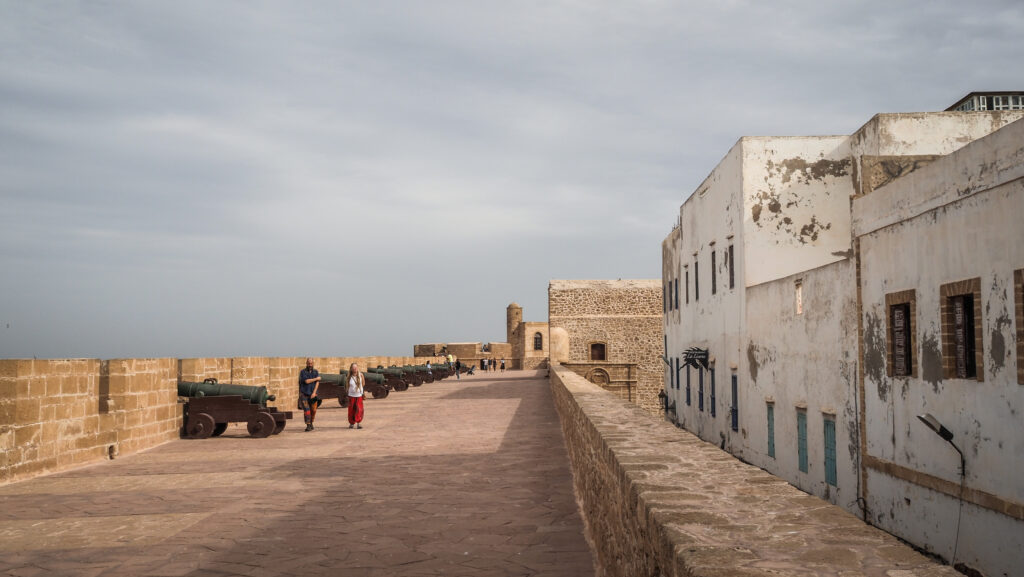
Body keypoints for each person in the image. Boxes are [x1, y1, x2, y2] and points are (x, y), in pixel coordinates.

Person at [298, 358, 321, 432]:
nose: (310, 365)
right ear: (306, 363)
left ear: (313, 364)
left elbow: (317, 383)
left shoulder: (315, 372)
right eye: (308, 363)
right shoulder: (303, 372)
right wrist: (316, 378)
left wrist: (314, 393)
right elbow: (307, 381)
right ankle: (308, 425)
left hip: (313, 394)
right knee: (307, 410)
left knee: (313, 410)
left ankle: (311, 422)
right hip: (304, 394)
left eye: (311, 363)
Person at [347, 362, 365, 429]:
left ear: (357, 368)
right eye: (353, 368)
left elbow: (363, 383)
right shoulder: (349, 377)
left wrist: (360, 390)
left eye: (356, 368)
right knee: (351, 410)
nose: (355, 369)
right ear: (351, 369)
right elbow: (347, 386)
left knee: (359, 409)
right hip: (351, 395)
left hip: (359, 395)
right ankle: (351, 423)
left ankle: (358, 423)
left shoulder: (361, 375)